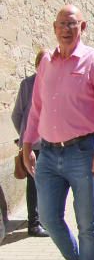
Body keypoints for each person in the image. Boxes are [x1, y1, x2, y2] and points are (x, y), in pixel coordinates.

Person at [21, 5, 94, 260]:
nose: (67, 29)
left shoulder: (93, 60)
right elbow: (36, 106)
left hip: (83, 151)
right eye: (62, 24)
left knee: (86, 223)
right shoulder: (47, 63)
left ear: (83, 27)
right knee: (48, 217)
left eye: (73, 24)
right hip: (49, 153)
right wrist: (27, 143)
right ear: (54, 27)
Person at [10, 49, 51, 237]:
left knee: (47, 184)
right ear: (36, 65)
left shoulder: (55, 84)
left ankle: (44, 219)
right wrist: (26, 140)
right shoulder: (28, 84)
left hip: (52, 145)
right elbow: (17, 115)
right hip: (34, 146)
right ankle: (34, 224)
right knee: (34, 184)